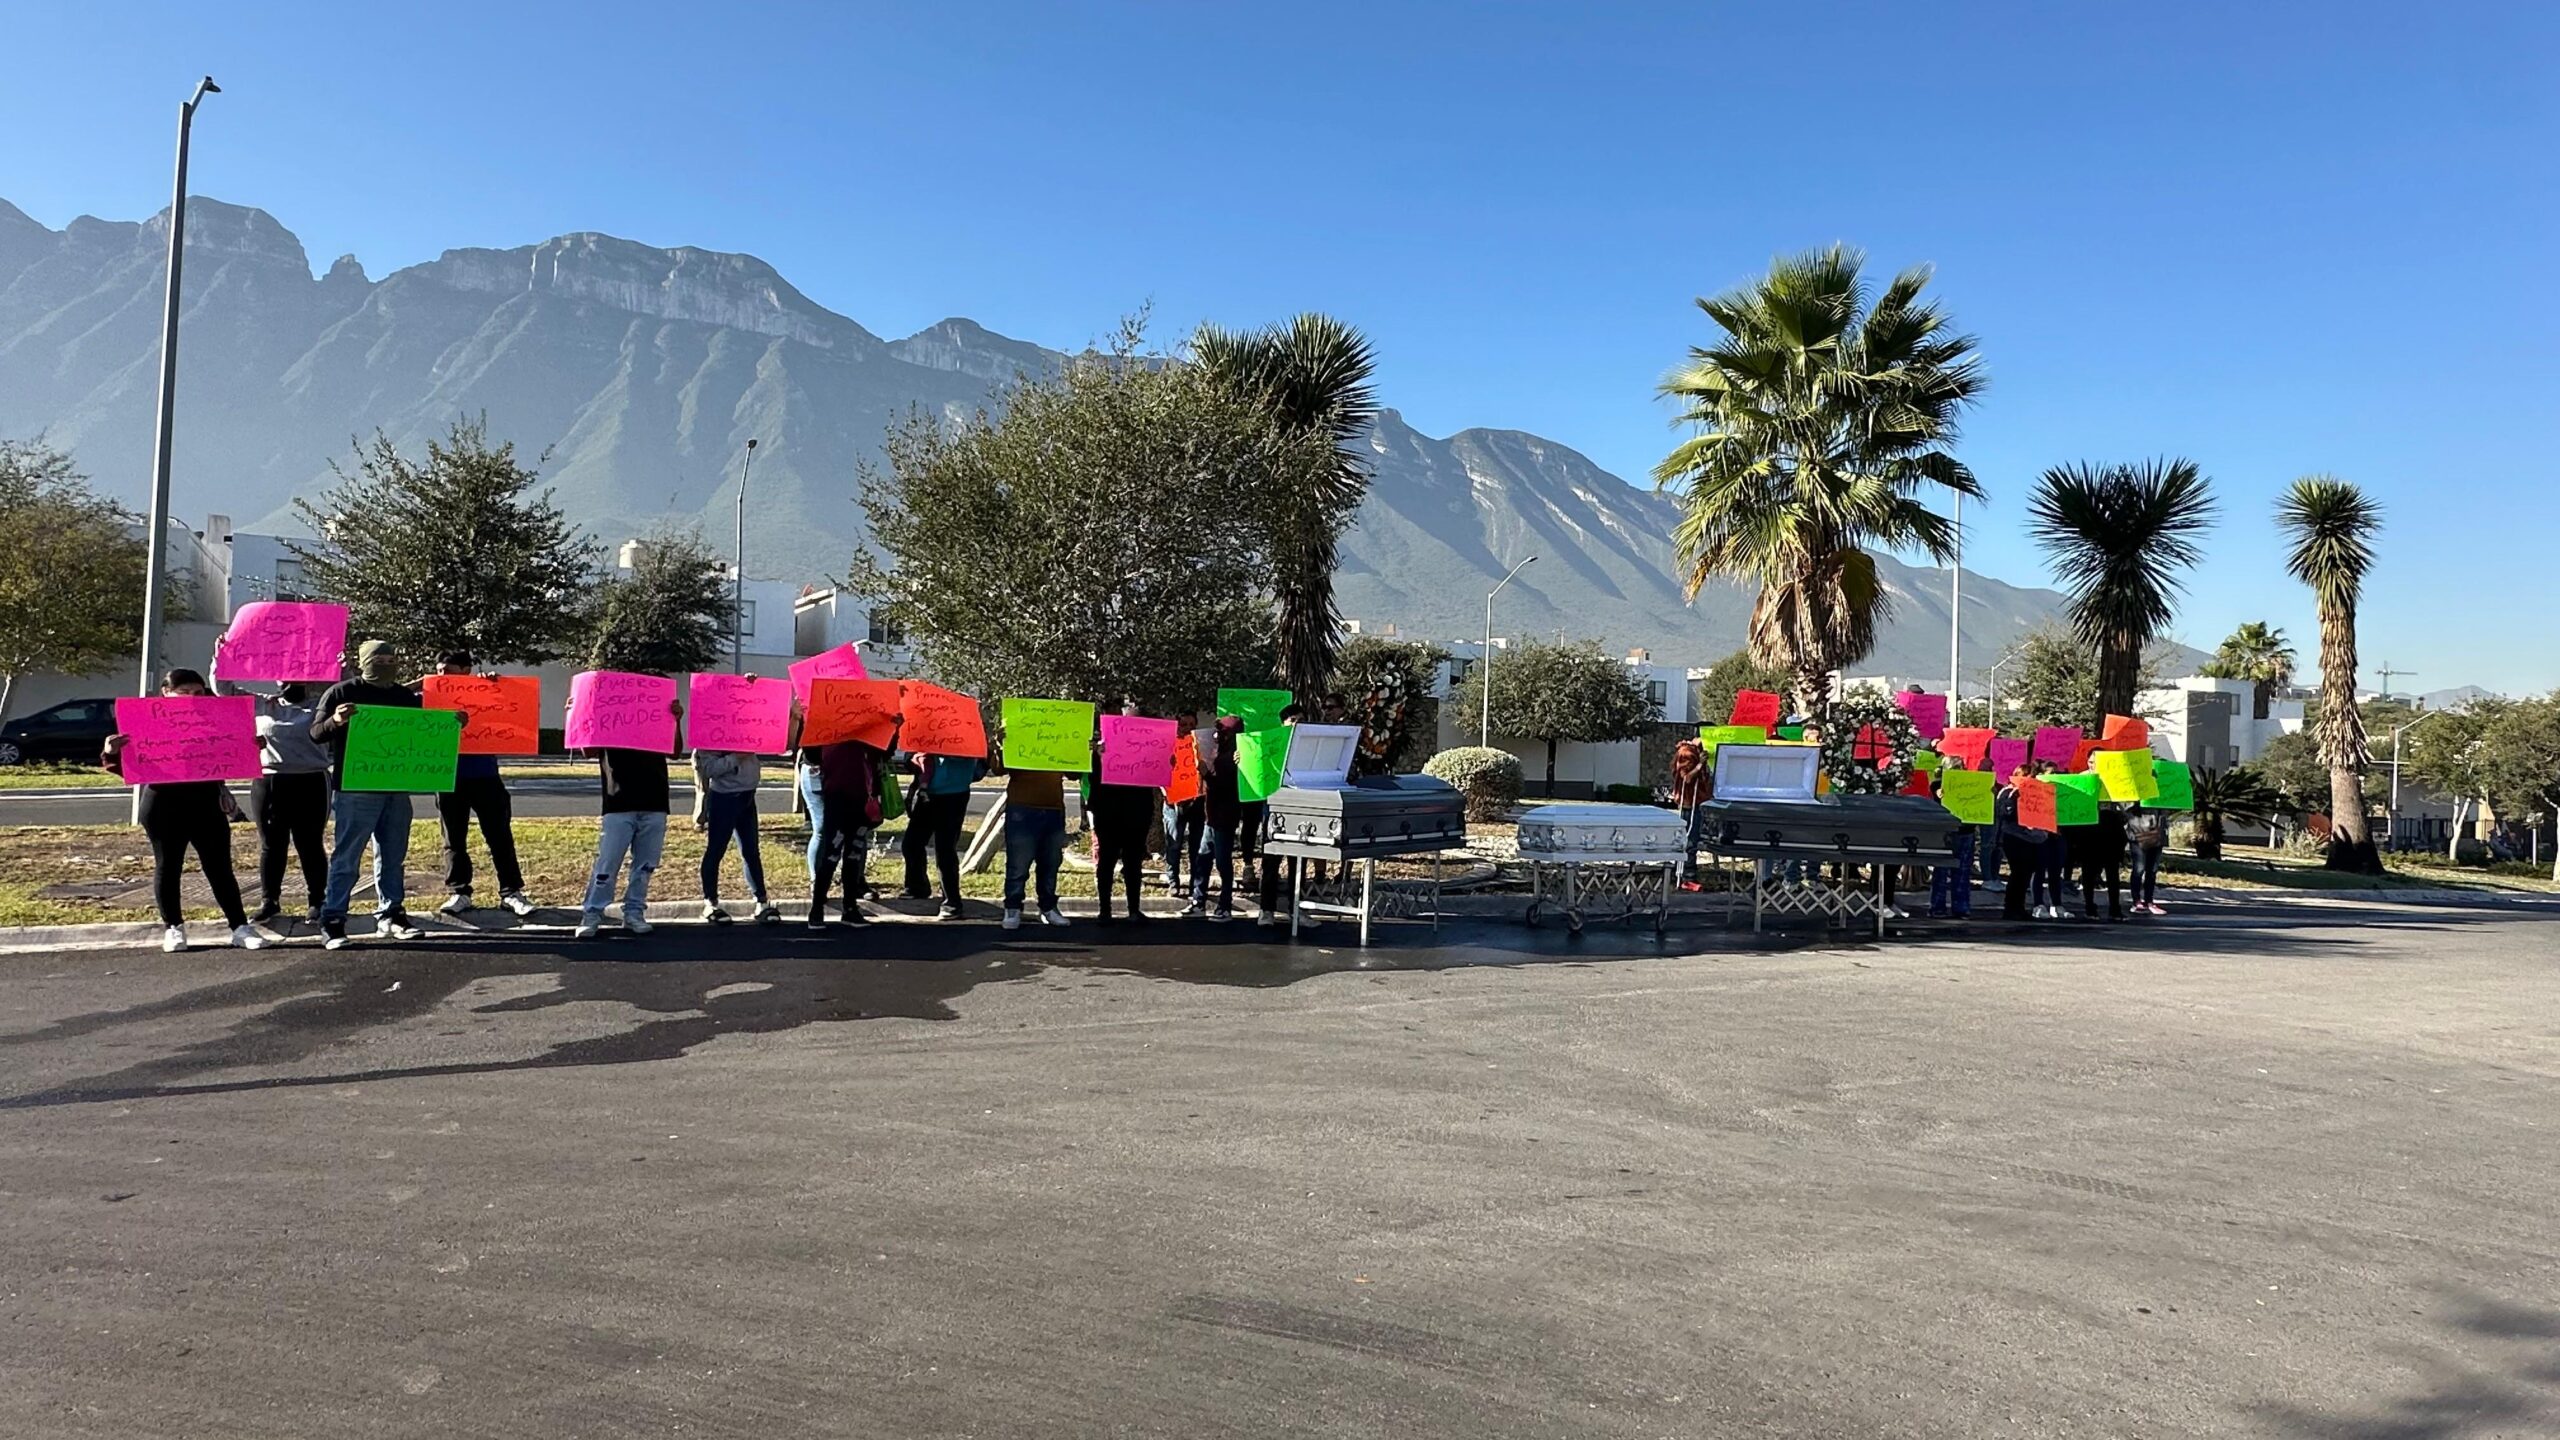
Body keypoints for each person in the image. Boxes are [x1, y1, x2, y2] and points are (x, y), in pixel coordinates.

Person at [104, 668, 264, 953]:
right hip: (162, 804)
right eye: (185, 692)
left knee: (219, 867)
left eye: (198, 692)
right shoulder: (145, 721)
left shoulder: (215, 719)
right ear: (166, 693)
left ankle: (239, 927)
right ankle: (174, 927)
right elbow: (128, 767)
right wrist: (111, 751)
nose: (192, 698)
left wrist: (250, 746)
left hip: (205, 802)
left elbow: (231, 754)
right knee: (168, 866)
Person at [309, 639, 427, 950]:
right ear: (363, 663)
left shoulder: (404, 696)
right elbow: (315, 733)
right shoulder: (341, 692)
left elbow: (425, 731)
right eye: (379, 661)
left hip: (396, 787)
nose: (386, 666)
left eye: (391, 661)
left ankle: (391, 914)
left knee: (393, 856)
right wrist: (336, 720)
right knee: (347, 856)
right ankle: (333, 919)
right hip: (355, 788)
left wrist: (454, 723)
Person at [431, 651, 534, 918]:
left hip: (485, 777)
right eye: (438, 670)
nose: (442, 676)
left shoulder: (484, 692)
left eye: (448, 670)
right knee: (453, 839)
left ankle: (511, 892)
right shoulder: (430, 697)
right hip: (448, 777)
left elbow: (514, 705)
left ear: (466, 670)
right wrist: (423, 683)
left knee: (499, 837)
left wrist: (496, 684)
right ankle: (459, 892)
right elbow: (397, 697)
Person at [573, 692, 682, 939]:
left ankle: (634, 911)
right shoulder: (609, 712)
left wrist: (675, 720)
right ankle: (592, 913)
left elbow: (675, 751)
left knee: (645, 865)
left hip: (654, 800)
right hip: (618, 800)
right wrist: (578, 714)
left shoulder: (655, 715)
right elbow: (587, 750)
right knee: (607, 863)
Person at [239, 680, 330, 927]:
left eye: (297, 676)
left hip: (311, 779)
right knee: (271, 844)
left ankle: (317, 900)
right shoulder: (262, 704)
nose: (291, 682)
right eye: (285, 677)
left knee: (310, 843)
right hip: (270, 779)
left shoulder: (321, 705)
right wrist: (221, 660)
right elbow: (224, 689)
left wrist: (341, 667)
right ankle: (269, 901)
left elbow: (345, 692)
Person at [808, 737, 889, 929]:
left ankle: (850, 908)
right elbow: (811, 755)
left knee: (854, 854)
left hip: (863, 796)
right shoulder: (828, 730)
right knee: (831, 854)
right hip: (837, 796)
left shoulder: (868, 733)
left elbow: (885, 750)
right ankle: (817, 908)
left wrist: (892, 730)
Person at [693, 745, 780, 925]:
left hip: (747, 794)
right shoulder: (708, 736)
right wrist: (737, 756)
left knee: (751, 850)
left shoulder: (744, 732)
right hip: (724, 797)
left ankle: (761, 901)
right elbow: (709, 769)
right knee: (716, 849)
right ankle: (710, 903)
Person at [1090, 700, 1157, 925]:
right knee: (1107, 860)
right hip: (1108, 811)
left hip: (1137, 811)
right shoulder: (1100, 745)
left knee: (1133, 861)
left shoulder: (1148, 743)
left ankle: (1134, 910)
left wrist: (1166, 763)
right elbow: (1087, 775)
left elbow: (1156, 773)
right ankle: (1104, 910)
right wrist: (1097, 755)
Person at [994, 729, 1068, 931]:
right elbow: (998, 769)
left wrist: (1082, 749)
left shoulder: (1063, 733)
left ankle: (1048, 907)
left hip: (1053, 807)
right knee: (1018, 864)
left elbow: (1074, 773)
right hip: (1022, 808)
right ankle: (1012, 907)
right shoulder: (1018, 731)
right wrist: (1001, 746)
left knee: (1050, 863)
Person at [907, 748, 983, 920]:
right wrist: (914, 758)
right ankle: (918, 887)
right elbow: (911, 755)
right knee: (912, 843)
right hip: (928, 792)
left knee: (945, 849)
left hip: (954, 793)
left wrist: (945, 752)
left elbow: (975, 754)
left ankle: (952, 902)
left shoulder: (967, 734)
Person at [1186, 717, 1243, 921]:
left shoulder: (1235, 757)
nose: (1217, 735)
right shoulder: (1218, 752)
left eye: (1222, 732)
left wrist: (1206, 775)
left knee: (1222, 862)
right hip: (1211, 815)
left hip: (1225, 816)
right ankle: (1198, 901)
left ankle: (1224, 906)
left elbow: (1225, 786)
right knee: (1203, 858)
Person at [1995, 765, 2054, 922]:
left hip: (2033, 838)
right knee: (2018, 873)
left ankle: (2019, 907)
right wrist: (2015, 798)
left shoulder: (2039, 791)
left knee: (2026, 874)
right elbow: (2004, 814)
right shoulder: (2008, 792)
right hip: (2015, 837)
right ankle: (2010, 908)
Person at [1161, 708, 1202, 894]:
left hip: (1196, 802)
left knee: (1196, 846)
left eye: (1192, 725)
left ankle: (1196, 883)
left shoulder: (1201, 745)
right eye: (1184, 724)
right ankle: (1173, 881)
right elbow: (1158, 773)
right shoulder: (1166, 744)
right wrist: (1167, 793)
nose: (1188, 728)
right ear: (1177, 726)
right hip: (1173, 803)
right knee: (1174, 843)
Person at [1929, 771, 1975, 920]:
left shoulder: (1973, 784)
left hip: (1966, 831)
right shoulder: (1938, 785)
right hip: (1947, 833)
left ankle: (1960, 908)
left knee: (1962, 872)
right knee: (1942, 871)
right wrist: (1938, 793)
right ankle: (1938, 907)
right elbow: (1934, 790)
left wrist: (1989, 792)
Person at [2126, 805, 2170, 916]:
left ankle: (2149, 901)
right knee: (2139, 869)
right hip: (2139, 833)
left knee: (2152, 870)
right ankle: (2136, 901)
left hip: (2157, 833)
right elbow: (2126, 808)